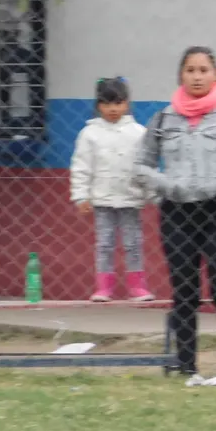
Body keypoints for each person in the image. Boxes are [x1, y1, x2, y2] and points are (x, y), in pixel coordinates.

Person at [134, 46, 216, 382]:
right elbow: (141, 165)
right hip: (177, 213)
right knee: (185, 290)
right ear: (181, 75)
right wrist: (166, 186)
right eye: (190, 70)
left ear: (215, 75)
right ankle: (187, 365)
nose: (197, 77)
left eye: (204, 70)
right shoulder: (163, 119)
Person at [70, 77, 153, 303]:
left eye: (118, 103)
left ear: (127, 104)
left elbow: (147, 165)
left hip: (130, 198)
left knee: (133, 243)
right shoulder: (89, 134)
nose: (113, 109)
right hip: (102, 201)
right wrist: (81, 195)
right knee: (104, 244)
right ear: (98, 105)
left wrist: (151, 193)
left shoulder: (139, 133)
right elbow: (81, 167)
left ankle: (137, 287)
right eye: (106, 103)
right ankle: (104, 288)